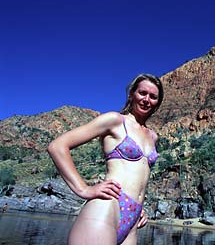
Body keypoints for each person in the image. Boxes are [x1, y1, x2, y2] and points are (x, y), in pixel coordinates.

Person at [48, 73, 164, 245]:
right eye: (142, 93)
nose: (147, 99)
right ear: (132, 94)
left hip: (134, 217)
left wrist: (139, 207)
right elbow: (57, 146)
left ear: (157, 103)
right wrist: (83, 189)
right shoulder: (115, 120)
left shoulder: (153, 137)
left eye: (153, 97)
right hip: (107, 206)